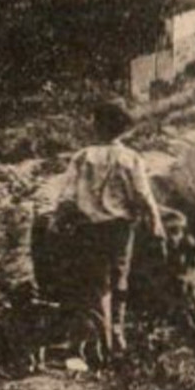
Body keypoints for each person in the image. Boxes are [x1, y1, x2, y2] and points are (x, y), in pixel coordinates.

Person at [53, 100, 166, 363]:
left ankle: (101, 340)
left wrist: (57, 221)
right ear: (122, 128)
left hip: (89, 229)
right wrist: (155, 223)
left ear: (98, 126)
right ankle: (117, 336)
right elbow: (142, 195)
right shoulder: (131, 158)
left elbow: (67, 197)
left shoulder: (82, 157)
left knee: (97, 284)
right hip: (121, 229)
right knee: (120, 280)